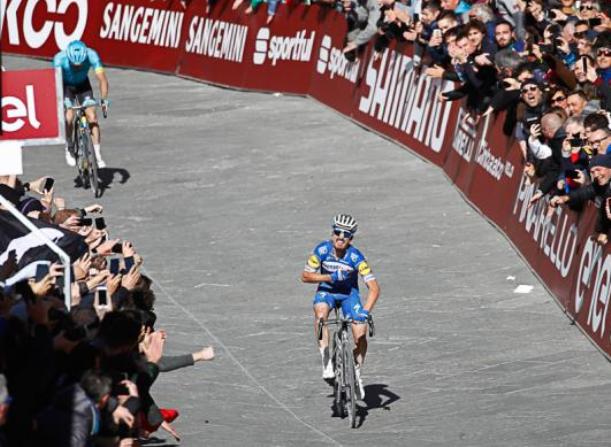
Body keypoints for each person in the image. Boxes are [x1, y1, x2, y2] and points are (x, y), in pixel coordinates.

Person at [301, 214, 380, 400]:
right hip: (327, 291)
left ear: (351, 238)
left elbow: (374, 288)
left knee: (360, 333)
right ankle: (326, 358)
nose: (341, 237)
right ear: (332, 233)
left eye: (346, 235)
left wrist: (365, 311)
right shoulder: (321, 250)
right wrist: (329, 277)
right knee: (320, 313)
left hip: (348, 295)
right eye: (337, 232)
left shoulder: (356, 257)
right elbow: (305, 276)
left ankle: (357, 371)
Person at [53, 40, 109, 168]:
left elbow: (103, 80)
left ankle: (97, 154)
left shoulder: (92, 55)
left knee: (92, 117)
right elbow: (54, 82)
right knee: (68, 117)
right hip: (66, 86)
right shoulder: (59, 59)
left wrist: (104, 99)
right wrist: (61, 101)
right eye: (74, 65)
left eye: (80, 65)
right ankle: (69, 146)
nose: (77, 67)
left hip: (83, 86)